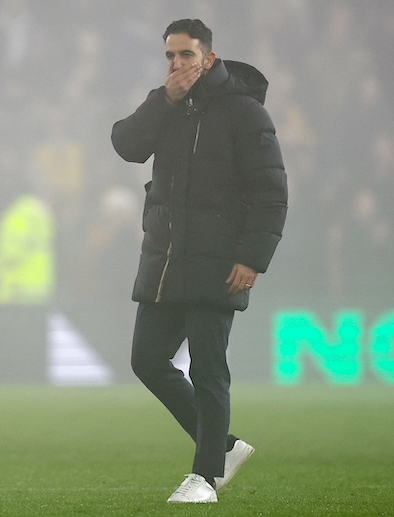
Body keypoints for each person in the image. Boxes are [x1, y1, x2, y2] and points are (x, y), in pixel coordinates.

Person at [111, 19, 287, 504]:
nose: (176, 65)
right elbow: (126, 145)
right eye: (169, 55)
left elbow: (270, 194)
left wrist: (253, 258)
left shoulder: (245, 113)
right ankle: (223, 448)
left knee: (210, 370)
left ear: (208, 57)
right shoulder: (164, 105)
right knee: (146, 358)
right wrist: (162, 101)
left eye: (185, 55)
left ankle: (205, 478)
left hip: (219, 262)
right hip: (166, 260)